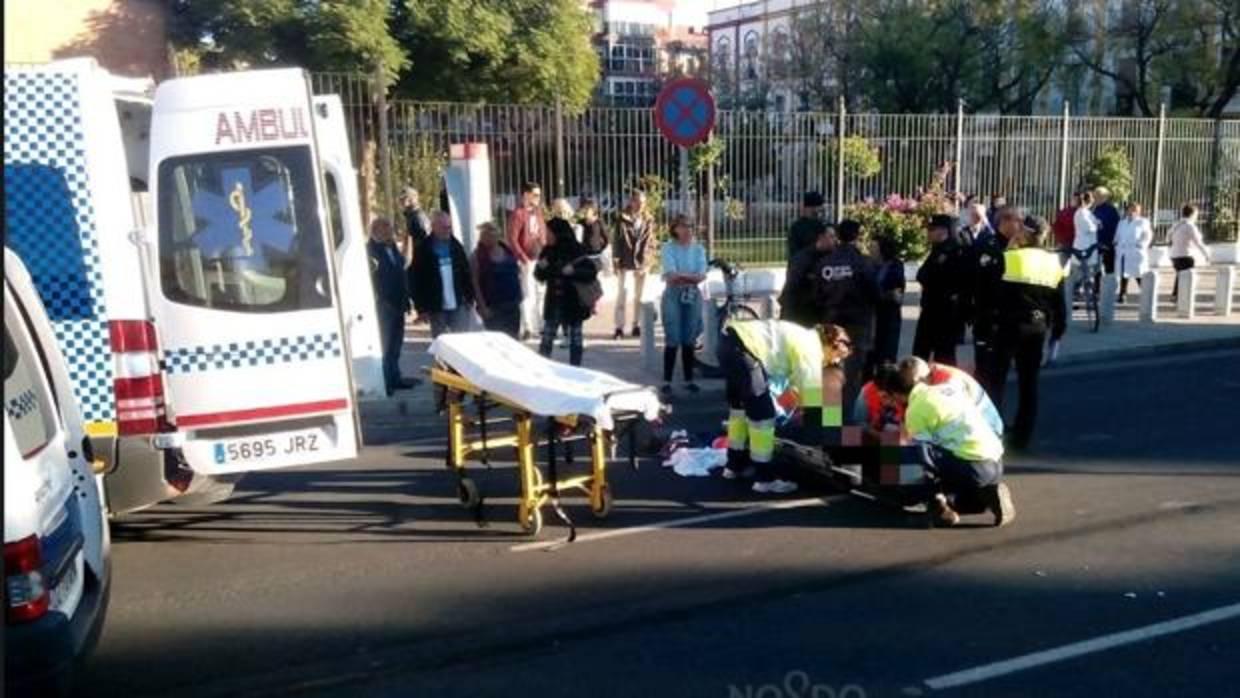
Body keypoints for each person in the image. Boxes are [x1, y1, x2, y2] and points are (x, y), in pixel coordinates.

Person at [877, 357, 1014, 527]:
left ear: (897, 394)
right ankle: (988, 493)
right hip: (995, 460)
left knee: (906, 456)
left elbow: (921, 456)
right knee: (963, 495)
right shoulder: (947, 387)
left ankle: (938, 509)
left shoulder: (916, 409)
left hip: (972, 467)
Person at [718, 319, 851, 495]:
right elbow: (810, 395)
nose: (833, 362)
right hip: (745, 350)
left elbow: (789, 387)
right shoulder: (812, 349)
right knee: (763, 418)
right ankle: (764, 479)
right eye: (837, 357)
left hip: (728, 342)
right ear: (831, 345)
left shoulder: (804, 336)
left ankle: (733, 466)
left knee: (740, 411)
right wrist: (830, 420)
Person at [991, 213, 1067, 451]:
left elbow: (993, 293)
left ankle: (994, 433)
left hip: (1009, 326)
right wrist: (1057, 333)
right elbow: (1060, 304)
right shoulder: (1054, 263)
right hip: (1037, 328)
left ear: (1025, 233)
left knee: (997, 382)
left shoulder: (1011, 257)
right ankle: (1022, 437)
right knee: (1029, 384)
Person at [812, 218, 879, 417]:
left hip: (831, 324)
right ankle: (847, 422)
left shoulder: (824, 263)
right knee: (852, 377)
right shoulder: (863, 262)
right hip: (858, 325)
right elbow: (874, 293)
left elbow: (816, 296)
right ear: (858, 236)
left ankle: (829, 422)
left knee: (831, 372)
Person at [535, 217, 600, 366]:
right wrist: (541, 267)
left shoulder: (576, 249)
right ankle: (542, 368)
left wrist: (573, 271)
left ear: (558, 233)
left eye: (549, 233)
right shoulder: (548, 250)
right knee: (547, 337)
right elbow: (539, 276)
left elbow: (590, 272)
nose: (547, 236)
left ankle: (575, 368)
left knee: (575, 337)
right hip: (554, 300)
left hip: (573, 301)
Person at [366, 217, 417, 396]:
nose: (390, 232)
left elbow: (403, 265)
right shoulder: (370, 251)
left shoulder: (392, 248)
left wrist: (409, 240)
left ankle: (396, 378)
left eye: (390, 228)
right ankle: (385, 381)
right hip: (383, 306)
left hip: (398, 303)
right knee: (385, 346)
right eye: (386, 228)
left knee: (396, 345)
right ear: (376, 230)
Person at [660, 214, 708, 395]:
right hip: (673, 295)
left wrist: (682, 276)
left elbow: (702, 275)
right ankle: (667, 381)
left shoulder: (699, 250)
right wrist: (689, 276)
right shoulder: (668, 248)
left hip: (693, 294)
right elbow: (670, 274)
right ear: (675, 229)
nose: (688, 230)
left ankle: (689, 380)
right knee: (673, 336)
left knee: (689, 338)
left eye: (690, 226)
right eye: (684, 226)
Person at [913, 214, 970, 366]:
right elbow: (922, 275)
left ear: (943, 231)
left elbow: (928, 276)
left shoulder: (953, 251)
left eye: (931, 229)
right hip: (932, 310)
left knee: (944, 358)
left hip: (946, 313)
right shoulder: (938, 249)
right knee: (920, 355)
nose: (928, 233)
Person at [412, 211, 475, 337]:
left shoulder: (456, 246)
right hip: (436, 305)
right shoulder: (424, 248)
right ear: (433, 226)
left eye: (449, 227)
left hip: (459, 303)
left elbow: (466, 273)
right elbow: (416, 280)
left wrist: (470, 297)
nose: (447, 230)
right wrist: (421, 308)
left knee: (462, 340)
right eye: (444, 227)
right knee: (441, 343)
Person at [969, 206, 1008, 397]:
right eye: (1016, 220)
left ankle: (995, 417)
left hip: (1006, 319)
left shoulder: (1015, 246)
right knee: (984, 372)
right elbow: (978, 282)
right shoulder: (988, 245)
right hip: (987, 316)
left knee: (999, 374)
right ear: (1004, 222)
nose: (1020, 225)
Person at [612, 189, 655, 339]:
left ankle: (636, 325)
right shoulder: (622, 218)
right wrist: (616, 260)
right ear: (631, 201)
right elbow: (616, 240)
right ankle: (619, 327)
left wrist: (647, 263)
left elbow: (651, 242)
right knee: (622, 294)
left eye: (643, 202)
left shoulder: (648, 219)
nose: (640, 205)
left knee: (639, 296)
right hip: (625, 261)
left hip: (642, 262)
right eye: (637, 201)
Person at [507, 181, 546, 339]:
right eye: (535, 195)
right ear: (526, 194)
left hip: (540, 258)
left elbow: (542, 233)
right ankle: (528, 326)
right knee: (528, 293)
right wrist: (522, 258)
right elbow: (512, 238)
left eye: (539, 195)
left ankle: (542, 324)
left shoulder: (537, 212)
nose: (538, 198)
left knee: (541, 292)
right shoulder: (518, 214)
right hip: (527, 260)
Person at [471, 221, 523, 338]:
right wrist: (482, 307)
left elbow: (516, 272)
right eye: (486, 235)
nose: (489, 238)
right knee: (497, 340)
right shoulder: (477, 256)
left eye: (493, 235)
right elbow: (475, 283)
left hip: (512, 304)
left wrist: (520, 294)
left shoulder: (507, 250)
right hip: (493, 307)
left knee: (513, 339)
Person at [780, 225, 836, 327]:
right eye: (831, 236)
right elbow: (792, 286)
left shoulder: (831, 257)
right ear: (821, 237)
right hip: (798, 313)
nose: (835, 240)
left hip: (816, 313)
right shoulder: (803, 259)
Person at [869, 235, 906, 376]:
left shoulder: (895, 266)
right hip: (872, 318)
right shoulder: (868, 265)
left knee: (886, 359)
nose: (871, 251)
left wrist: (883, 295)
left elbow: (896, 293)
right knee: (869, 359)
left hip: (888, 318)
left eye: (874, 248)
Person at [1168, 204, 1211, 301]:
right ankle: (1183, 297)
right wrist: (1207, 255)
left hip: (1174, 255)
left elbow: (1168, 236)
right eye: (1196, 214)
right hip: (1185, 255)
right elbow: (1199, 242)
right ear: (1192, 214)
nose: (1196, 217)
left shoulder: (1176, 224)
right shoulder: (1190, 226)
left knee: (1180, 275)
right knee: (1188, 277)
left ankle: (1175, 295)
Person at [1115, 202, 1153, 304]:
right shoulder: (1122, 222)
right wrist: (1116, 243)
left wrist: (1141, 245)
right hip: (1123, 251)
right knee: (1124, 274)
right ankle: (1122, 294)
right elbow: (1118, 235)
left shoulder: (1143, 222)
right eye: (1130, 209)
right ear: (1127, 210)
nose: (1132, 212)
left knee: (1138, 274)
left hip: (1135, 252)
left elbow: (1147, 236)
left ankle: (1146, 294)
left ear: (1139, 211)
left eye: (1135, 210)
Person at [787, 191, 826, 259]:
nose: (822, 208)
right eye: (820, 205)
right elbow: (795, 252)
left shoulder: (822, 224)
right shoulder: (797, 227)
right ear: (811, 207)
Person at [1092, 187, 1121, 276]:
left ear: (1104, 197)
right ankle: (1096, 288)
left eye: (1098, 196)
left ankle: (1110, 287)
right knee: (1096, 268)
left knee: (1109, 268)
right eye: (1095, 196)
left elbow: (1116, 226)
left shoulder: (1111, 209)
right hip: (1097, 242)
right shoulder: (1094, 209)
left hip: (1108, 243)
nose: (1095, 198)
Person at [400, 186, 431, 250]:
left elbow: (427, 237)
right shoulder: (410, 216)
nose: (402, 201)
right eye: (401, 199)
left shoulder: (418, 216)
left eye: (405, 198)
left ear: (413, 198)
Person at [1052, 193, 1080, 265]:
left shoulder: (1069, 211)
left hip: (1072, 242)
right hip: (1067, 242)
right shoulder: (1067, 211)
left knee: (1070, 266)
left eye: (1076, 199)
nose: (1073, 201)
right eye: (1073, 199)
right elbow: (1057, 225)